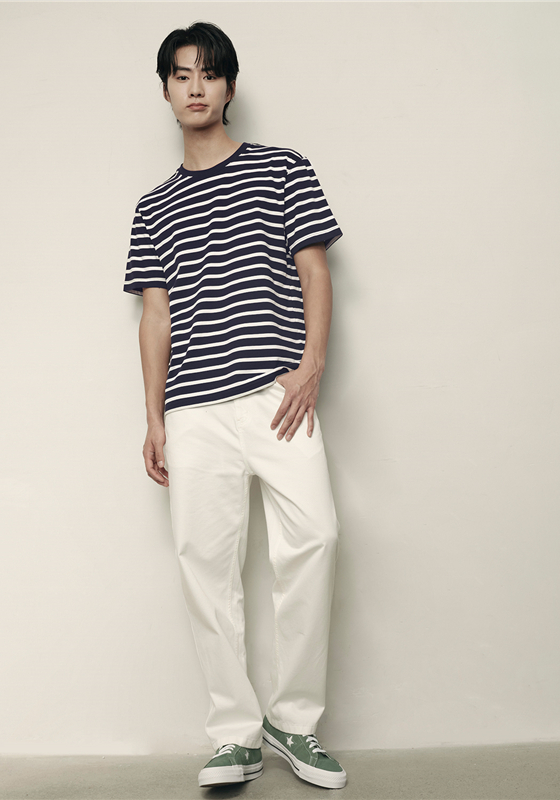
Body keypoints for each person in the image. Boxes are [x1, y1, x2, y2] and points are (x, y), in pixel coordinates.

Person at [123, 21, 347, 790]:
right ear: (165, 90)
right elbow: (156, 315)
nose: (195, 87)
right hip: (194, 411)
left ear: (229, 87)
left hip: (277, 398)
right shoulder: (152, 206)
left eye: (209, 74)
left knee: (315, 539)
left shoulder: (284, 168)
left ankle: (294, 720)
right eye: (181, 75)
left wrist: (311, 365)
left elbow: (315, 271)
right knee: (205, 567)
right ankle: (234, 734)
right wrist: (154, 417)